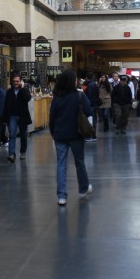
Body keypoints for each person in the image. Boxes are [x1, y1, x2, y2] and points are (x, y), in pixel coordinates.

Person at [49, 68, 93, 206]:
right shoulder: (79, 96)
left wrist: (53, 133)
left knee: (61, 165)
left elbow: (52, 119)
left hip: (60, 135)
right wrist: (89, 130)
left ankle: (62, 196)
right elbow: (89, 112)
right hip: (76, 135)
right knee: (79, 162)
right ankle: (83, 189)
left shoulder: (57, 98)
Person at [3, 73, 31, 162]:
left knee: (23, 135)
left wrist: (22, 88)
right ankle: (11, 154)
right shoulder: (9, 92)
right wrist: (5, 118)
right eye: (14, 81)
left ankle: (23, 152)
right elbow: (6, 105)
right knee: (12, 135)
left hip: (22, 116)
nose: (16, 83)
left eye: (17, 81)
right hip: (13, 117)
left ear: (20, 81)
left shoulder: (24, 90)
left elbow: (27, 98)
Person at [84, 72, 100, 141]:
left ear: (87, 78)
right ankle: (93, 135)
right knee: (94, 120)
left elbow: (89, 97)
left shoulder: (90, 85)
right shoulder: (95, 84)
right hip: (95, 105)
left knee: (90, 121)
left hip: (91, 105)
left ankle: (91, 135)